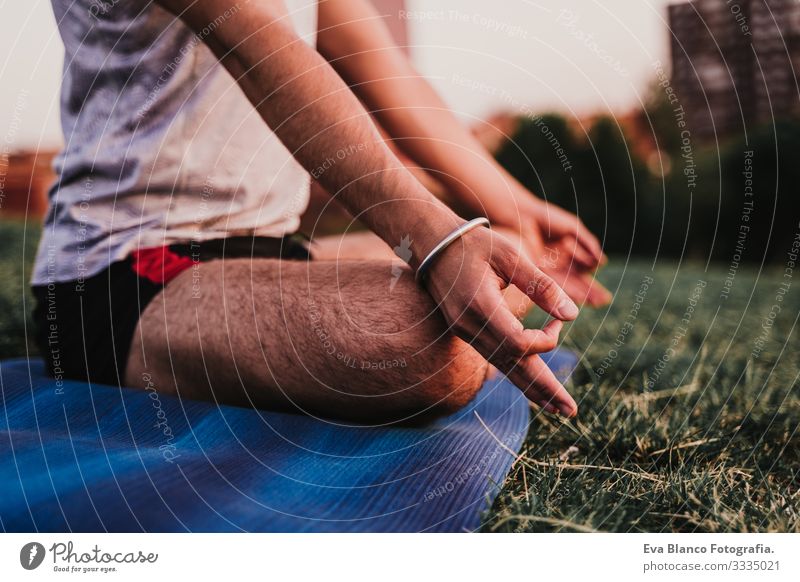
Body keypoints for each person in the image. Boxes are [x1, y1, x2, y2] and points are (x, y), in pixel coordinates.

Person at [32, 0, 609, 424]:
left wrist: (517, 209)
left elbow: (385, 72)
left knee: (500, 260)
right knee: (434, 349)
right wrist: (436, 239)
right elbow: (255, 40)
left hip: (271, 250)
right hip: (123, 265)